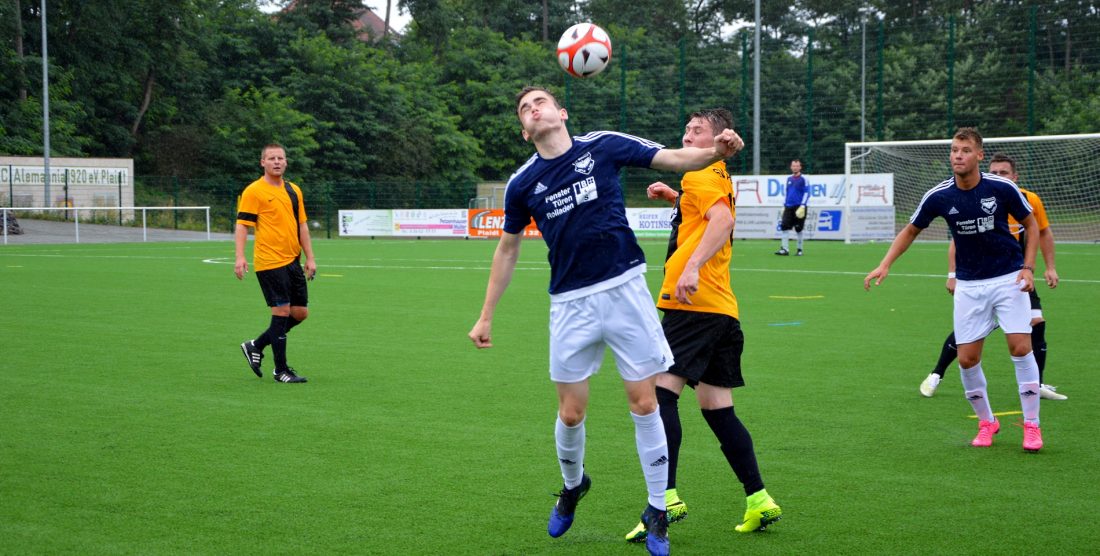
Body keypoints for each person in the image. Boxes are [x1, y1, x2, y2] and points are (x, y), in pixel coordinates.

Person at [468, 86, 743, 556]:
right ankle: (573, 486)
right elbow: (508, 248)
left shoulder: (602, 145)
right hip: (571, 304)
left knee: (644, 403)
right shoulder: (523, 184)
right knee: (571, 412)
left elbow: (674, 158)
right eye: (524, 109)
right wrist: (486, 314)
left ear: (561, 112)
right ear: (524, 130)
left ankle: (658, 509)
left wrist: (714, 152)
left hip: (625, 292)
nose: (533, 110)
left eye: (540, 102)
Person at [621, 109, 780, 545]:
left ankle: (665, 499)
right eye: (687, 130)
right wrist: (675, 199)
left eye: (697, 131)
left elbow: (723, 223)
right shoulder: (714, 174)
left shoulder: (701, 171)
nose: (687, 136)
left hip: (693, 305)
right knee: (718, 408)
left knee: (659, 396)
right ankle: (758, 499)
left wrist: (690, 267)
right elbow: (711, 216)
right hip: (722, 309)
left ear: (715, 140)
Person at [865, 127, 1045, 452]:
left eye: (964, 150)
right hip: (969, 285)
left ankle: (1032, 426)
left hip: (1008, 279)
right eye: (953, 150)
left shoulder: (1001, 187)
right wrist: (885, 263)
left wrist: (1029, 268)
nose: (957, 155)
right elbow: (911, 230)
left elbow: (1031, 225)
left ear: (979, 155)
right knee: (966, 359)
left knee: (1020, 348)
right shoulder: (940, 196)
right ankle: (987, 422)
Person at [919, 153, 1064, 400]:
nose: (997, 176)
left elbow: (1043, 232)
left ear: (1015, 177)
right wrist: (952, 274)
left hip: (1014, 275)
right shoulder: (981, 198)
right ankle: (936, 373)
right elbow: (958, 239)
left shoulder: (1028, 200)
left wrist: (1049, 267)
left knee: (1037, 323)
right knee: (971, 335)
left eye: (1003, 173)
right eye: (994, 172)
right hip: (978, 278)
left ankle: (1036, 385)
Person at [235, 143, 317, 384]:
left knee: (300, 313)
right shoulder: (254, 191)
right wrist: (240, 256)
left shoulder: (294, 191)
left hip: (293, 260)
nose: (277, 162)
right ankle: (281, 370)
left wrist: (310, 257)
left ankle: (255, 345)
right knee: (281, 311)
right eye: (271, 158)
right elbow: (242, 225)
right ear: (263, 163)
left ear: (286, 162)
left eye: (280, 158)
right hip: (269, 261)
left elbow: (302, 225)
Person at [775, 158, 809, 256]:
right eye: (793, 166)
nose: (795, 168)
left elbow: (807, 193)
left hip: (799, 207)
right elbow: (787, 193)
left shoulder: (804, 179)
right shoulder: (789, 179)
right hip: (788, 207)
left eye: (797, 166)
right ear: (791, 167)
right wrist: (784, 205)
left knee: (799, 228)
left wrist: (803, 206)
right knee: (784, 226)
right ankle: (785, 249)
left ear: (800, 167)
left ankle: (799, 249)